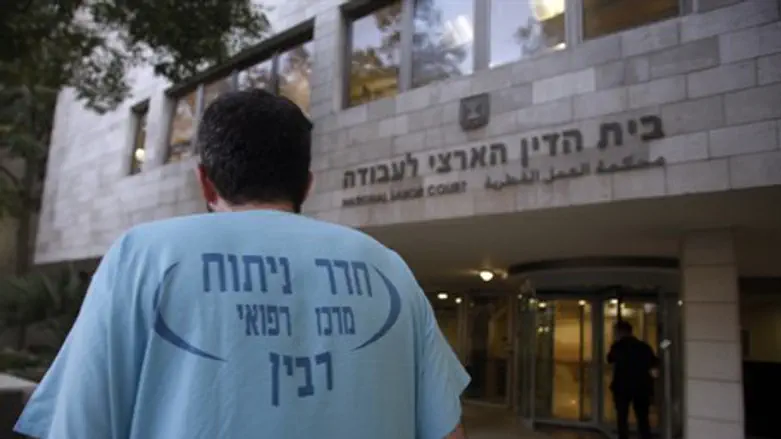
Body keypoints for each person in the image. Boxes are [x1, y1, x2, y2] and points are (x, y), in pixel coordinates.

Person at [15, 90, 470, 439]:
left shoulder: (143, 256)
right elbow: (447, 429)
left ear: (205, 182)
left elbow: (77, 425)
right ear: (306, 184)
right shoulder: (387, 269)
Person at [607, 320, 659, 439]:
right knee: (642, 418)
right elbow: (654, 362)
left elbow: (610, 359)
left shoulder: (618, 346)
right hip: (641, 387)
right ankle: (645, 436)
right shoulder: (643, 346)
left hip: (622, 387)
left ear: (620, 332)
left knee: (622, 417)